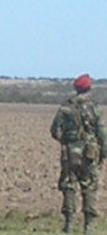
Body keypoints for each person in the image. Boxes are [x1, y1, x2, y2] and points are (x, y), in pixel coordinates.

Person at [50, 74, 106, 233]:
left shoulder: (66, 107)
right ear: (89, 88)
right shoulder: (94, 108)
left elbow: (55, 130)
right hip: (90, 153)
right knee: (89, 187)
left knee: (69, 186)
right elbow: (102, 134)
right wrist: (103, 152)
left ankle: (69, 225)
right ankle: (89, 227)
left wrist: (66, 141)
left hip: (70, 153)